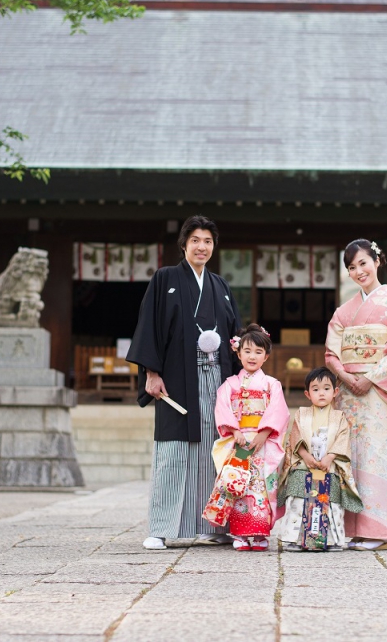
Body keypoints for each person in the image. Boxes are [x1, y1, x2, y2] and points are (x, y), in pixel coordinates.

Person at [127, 215, 242, 550]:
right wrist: (151, 372)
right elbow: (148, 326)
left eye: (207, 241)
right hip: (177, 381)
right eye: (196, 240)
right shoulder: (165, 279)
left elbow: (234, 334)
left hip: (217, 380)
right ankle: (161, 527)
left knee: (215, 453)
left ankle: (213, 526)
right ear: (184, 244)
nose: (202, 247)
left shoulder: (220, 286)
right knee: (174, 452)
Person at [324, 239, 387, 551]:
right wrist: (348, 377)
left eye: (363, 263)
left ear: (377, 261)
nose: (358, 271)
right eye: (352, 267)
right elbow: (331, 352)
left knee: (377, 455)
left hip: (378, 393)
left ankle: (378, 531)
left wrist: (371, 377)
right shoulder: (344, 311)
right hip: (350, 392)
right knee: (352, 456)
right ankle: (356, 529)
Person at [205, 324, 290, 551]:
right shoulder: (229, 385)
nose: (252, 356)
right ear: (238, 352)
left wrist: (263, 434)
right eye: (248, 351)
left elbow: (278, 411)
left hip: (263, 442)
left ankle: (260, 533)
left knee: (261, 486)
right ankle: (240, 534)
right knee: (238, 485)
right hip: (239, 442)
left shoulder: (272, 384)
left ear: (267, 356)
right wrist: (234, 432)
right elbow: (222, 409)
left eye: (258, 352)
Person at [276, 366, 362, 552]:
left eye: (326, 388)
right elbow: (295, 438)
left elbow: (342, 440)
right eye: (315, 389)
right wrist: (306, 457)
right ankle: (294, 539)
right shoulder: (301, 414)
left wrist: (329, 457)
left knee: (331, 504)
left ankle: (332, 540)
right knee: (299, 500)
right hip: (304, 466)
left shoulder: (340, 418)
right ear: (308, 394)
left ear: (335, 392)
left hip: (328, 467)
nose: (321, 393)